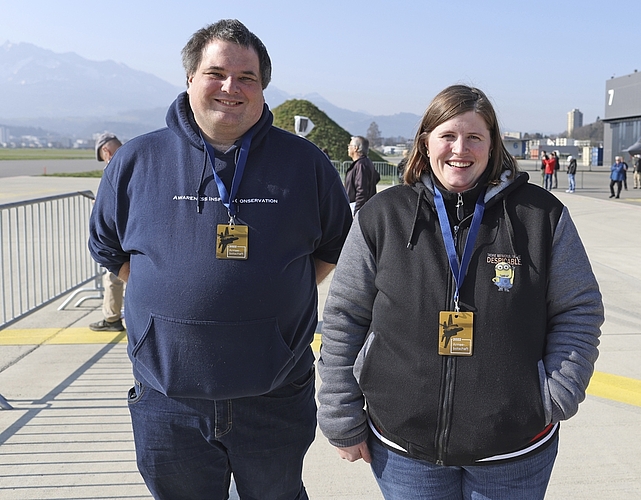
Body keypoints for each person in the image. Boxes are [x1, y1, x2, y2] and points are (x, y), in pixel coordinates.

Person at [88, 19, 353, 500]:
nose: (231, 88)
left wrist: (267, 301)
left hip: (274, 394)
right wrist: (171, 302)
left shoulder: (305, 162)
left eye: (247, 78)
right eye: (216, 73)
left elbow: (333, 247)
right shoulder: (137, 160)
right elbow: (109, 247)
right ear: (190, 79)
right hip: (169, 399)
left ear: (263, 88)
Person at [317, 85, 604, 499]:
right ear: (425, 142)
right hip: (403, 449)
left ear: (492, 145)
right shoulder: (383, 216)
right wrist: (340, 414)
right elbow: (345, 316)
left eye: (474, 137)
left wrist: (553, 395)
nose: (460, 149)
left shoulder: (542, 216)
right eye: (447, 136)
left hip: (514, 450)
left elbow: (579, 309)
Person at [89, 133, 125, 332]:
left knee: (113, 276)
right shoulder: (136, 159)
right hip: (135, 232)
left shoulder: (114, 167)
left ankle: (112, 318)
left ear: (106, 151)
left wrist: (100, 206)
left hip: (120, 234)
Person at [345, 135, 380, 214]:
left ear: (355, 148)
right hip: (365, 206)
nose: (348, 147)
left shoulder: (361, 165)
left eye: (349, 145)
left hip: (358, 207)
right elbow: (376, 177)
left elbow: (361, 190)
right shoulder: (366, 162)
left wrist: (357, 212)